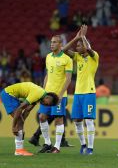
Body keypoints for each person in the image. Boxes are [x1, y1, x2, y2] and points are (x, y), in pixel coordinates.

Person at [62, 25, 99, 155]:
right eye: (77, 46)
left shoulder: (94, 57)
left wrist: (83, 36)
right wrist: (76, 37)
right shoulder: (77, 57)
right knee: (77, 120)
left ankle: (90, 148)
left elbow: (89, 49)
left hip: (89, 92)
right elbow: (63, 50)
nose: (77, 48)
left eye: (79, 45)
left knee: (88, 120)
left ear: (84, 46)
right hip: (78, 93)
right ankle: (83, 144)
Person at [0, 82, 59, 156]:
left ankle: (20, 150)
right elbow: (20, 108)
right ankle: (19, 150)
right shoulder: (37, 94)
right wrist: (14, 127)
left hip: (12, 96)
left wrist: (21, 122)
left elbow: (27, 110)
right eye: (48, 104)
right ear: (48, 97)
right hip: (8, 95)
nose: (46, 105)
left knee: (20, 121)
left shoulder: (40, 96)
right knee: (19, 121)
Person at [37, 34, 73, 153]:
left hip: (59, 95)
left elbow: (68, 79)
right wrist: (43, 90)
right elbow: (47, 74)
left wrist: (61, 93)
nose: (51, 44)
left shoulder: (67, 59)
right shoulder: (48, 57)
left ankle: (57, 147)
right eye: (51, 42)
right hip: (47, 94)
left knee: (58, 119)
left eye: (54, 42)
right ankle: (47, 143)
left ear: (60, 44)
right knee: (42, 117)